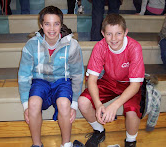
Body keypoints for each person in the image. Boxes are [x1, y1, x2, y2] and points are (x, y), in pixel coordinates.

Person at [18, 5, 84, 147]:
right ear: (41, 25)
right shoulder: (31, 45)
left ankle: (66, 144)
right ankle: (37, 144)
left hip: (62, 82)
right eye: (47, 24)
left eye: (56, 24)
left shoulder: (72, 45)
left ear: (61, 24)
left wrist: (74, 103)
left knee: (64, 103)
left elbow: (78, 75)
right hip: (40, 81)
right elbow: (24, 75)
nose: (52, 29)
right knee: (33, 103)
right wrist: (25, 105)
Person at [78, 14, 145, 147]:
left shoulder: (134, 47)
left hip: (129, 84)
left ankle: (130, 141)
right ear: (103, 33)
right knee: (83, 102)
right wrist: (98, 105)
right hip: (109, 81)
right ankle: (99, 130)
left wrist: (114, 106)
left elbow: (135, 85)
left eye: (118, 33)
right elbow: (91, 80)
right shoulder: (99, 47)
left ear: (126, 32)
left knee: (132, 111)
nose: (114, 39)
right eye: (109, 34)